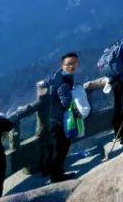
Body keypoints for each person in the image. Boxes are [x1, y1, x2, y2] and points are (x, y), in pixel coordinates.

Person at [43, 52, 78, 183]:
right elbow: (66, 102)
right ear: (63, 64)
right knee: (61, 148)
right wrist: (74, 95)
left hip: (54, 117)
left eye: (74, 63)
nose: (72, 66)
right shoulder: (63, 82)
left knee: (55, 147)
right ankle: (57, 176)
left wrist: (43, 84)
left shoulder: (59, 73)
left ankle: (51, 171)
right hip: (60, 120)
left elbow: (49, 81)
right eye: (69, 64)